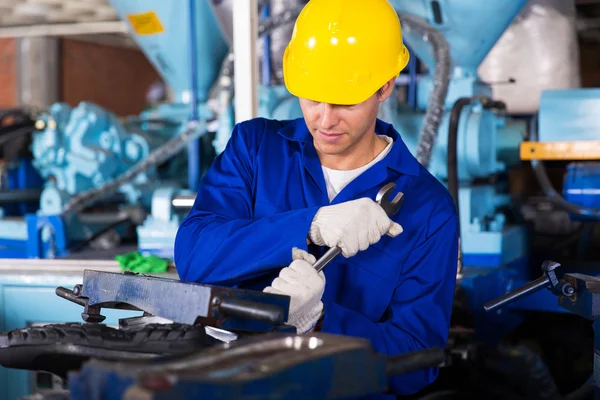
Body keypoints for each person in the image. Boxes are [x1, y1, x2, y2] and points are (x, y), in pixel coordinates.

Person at [174, 0, 459, 397]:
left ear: (385, 86)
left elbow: (417, 361)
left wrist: (319, 320)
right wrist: (310, 224)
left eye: (345, 101)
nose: (325, 120)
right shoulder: (255, 149)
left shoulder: (428, 209)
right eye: (312, 97)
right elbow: (194, 258)